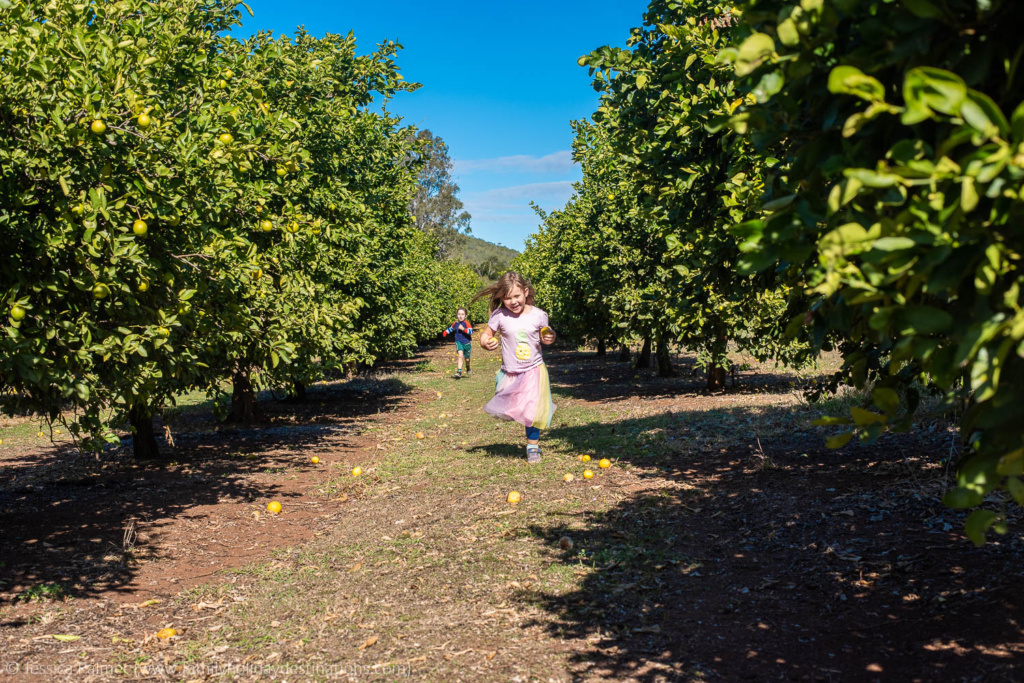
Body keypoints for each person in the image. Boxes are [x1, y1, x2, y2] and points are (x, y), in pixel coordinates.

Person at [473, 271, 556, 463]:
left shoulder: (538, 315)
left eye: (516, 296)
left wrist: (549, 336)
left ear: (525, 292)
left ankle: (532, 447)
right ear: (502, 298)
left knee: (532, 411)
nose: (513, 302)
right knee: (513, 410)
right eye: (507, 298)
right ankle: (531, 442)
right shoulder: (500, 315)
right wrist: (486, 342)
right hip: (510, 371)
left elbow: (547, 334)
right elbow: (485, 335)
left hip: (534, 370)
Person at [442, 307, 473, 378]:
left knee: (467, 359)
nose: (460, 316)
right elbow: (451, 328)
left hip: (467, 343)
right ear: (457, 315)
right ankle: (459, 371)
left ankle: (467, 366)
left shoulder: (466, 323)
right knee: (460, 355)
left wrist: (463, 329)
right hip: (458, 341)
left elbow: (470, 331)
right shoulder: (455, 324)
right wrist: (446, 332)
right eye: (459, 314)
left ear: (465, 316)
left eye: (462, 314)